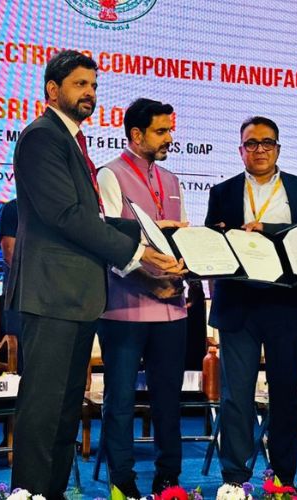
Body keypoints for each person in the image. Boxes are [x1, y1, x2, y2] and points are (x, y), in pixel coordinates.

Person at [7, 50, 184, 498]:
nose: (89, 93)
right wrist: (138, 249)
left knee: (65, 412)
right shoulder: (42, 137)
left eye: (93, 85)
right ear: (53, 90)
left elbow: (94, 219)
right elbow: (66, 216)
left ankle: (49, 493)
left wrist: (147, 231)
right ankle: (30, 493)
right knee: (43, 412)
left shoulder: (73, 141)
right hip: (52, 296)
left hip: (76, 298)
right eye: (80, 84)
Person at [205, 116, 297, 488]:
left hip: (286, 304)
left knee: (285, 396)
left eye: (266, 143)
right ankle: (234, 480)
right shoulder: (222, 192)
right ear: (240, 150)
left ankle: (284, 480)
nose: (259, 150)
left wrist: (267, 231)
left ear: (278, 149)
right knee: (235, 397)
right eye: (251, 143)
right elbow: (211, 248)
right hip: (238, 306)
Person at [96, 98, 188, 497]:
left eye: (170, 130)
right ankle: (122, 482)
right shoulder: (109, 175)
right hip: (124, 309)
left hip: (173, 310)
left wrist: (185, 268)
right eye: (161, 131)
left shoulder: (172, 180)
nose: (169, 138)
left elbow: (176, 241)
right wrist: (151, 283)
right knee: (120, 400)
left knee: (169, 399)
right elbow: (110, 242)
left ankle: (169, 477)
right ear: (136, 134)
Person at [0, 199, 23, 372]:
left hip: (54, 302)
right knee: (24, 365)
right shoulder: (14, 208)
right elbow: (10, 253)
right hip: (20, 297)